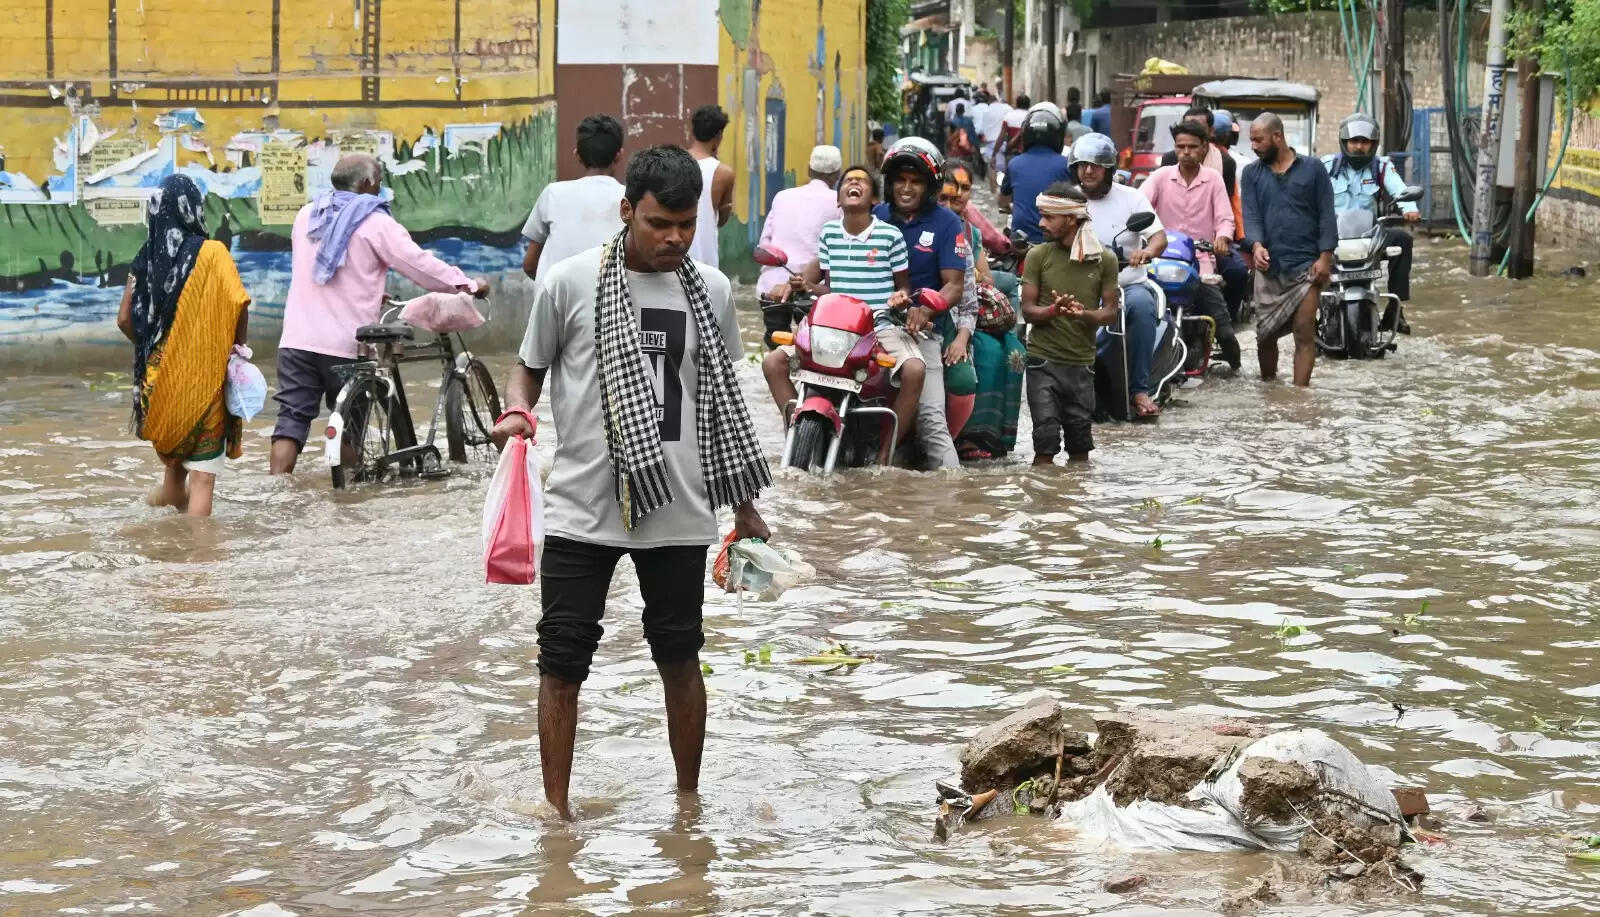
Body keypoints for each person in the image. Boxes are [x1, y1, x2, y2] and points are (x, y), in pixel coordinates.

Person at [492, 145, 773, 821]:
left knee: (680, 656)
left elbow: (724, 406)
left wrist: (746, 506)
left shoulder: (709, 288)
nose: (674, 237)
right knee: (561, 661)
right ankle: (555, 814)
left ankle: (687, 807)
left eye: (684, 222)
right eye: (658, 223)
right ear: (627, 212)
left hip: (679, 506)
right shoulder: (569, 281)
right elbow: (528, 367)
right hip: (582, 507)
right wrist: (518, 412)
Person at [270, 154, 488, 474]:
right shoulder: (375, 222)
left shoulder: (307, 215)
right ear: (368, 183)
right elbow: (420, 266)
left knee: (291, 421)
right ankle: (349, 496)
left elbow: (318, 270)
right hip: (345, 345)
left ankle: (277, 488)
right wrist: (467, 284)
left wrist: (370, 288)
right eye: (380, 182)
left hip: (296, 342)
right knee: (350, 427)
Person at [762, 165, 919, 466]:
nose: (854, 183)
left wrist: (900, 299)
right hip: (832, 329)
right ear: (838, 199)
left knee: (914, 370)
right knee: (773, 361)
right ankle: (795, 427)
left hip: (877, 328)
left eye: (861, 180)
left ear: (874, 199)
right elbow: (830, 288)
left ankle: (885, 456)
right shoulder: (830, 234)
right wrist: (805, 286)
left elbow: (903, 288)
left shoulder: (891, 236)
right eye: (848, 180)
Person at [116, 174, 252, 517]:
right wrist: (237, 348)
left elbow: (124, 319)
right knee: (203, 481)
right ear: (193, 209)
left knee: (174, 468)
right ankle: (197, 559)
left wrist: (155, 351)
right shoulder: (213, 253)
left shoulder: (144, 258)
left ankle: (166, 545)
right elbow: (239, 302)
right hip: (203, 377)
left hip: (157, 383)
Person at [873, 137, 972, 470]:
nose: (906, 188)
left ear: (929, 186)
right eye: (900, 180)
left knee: (931, 421)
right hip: (871, 327)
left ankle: (950, 498)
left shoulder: (946, 223)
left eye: (915, 181)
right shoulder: (877, 216)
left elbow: (954, 286)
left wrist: (925, 309)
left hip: (922, 333)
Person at [1021, 183, 1121, 465]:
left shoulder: (1105, 260)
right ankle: (1043, 505)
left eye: (1049, 217)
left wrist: (1083, 315)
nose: (1041, 223)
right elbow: (1028, 311)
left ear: (1071, 218)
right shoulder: (1037, 255)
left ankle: (1072, 504)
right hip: (1043, 362)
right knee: (1045, 439)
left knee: (1080, 447)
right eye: (1041, 215)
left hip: (1081, 365)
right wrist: (1054, 310)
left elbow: (1110, 314)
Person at [1071, 133, 1166, 418]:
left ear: (1109, 170)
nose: (1088, 171)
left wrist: (1146, 253)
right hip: (1080, 285)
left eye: (1096, 165)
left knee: (1142, 306)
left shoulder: (1132, 198)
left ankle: (1139, 389)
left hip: (1127, 285)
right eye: (1083, 165)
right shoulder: (1067, 199)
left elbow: (1158, 237)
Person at [1242, 113, 1337, 386]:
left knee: (1304, 331)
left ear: (1277, 137)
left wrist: (1325, 258)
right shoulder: (1251, 174)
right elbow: (1252, 215)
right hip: (1270, 267)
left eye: (1258, 140)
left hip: (1307, 266)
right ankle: (1270, 388)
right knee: (1265, 335)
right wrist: (1257, 245)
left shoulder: (1313, 169)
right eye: (1252, 141)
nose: (1254, 146)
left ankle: (1299, 395)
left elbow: (1326, 215)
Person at [1141, 121, 1243, 369]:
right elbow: (1140, 206)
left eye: (1192, 147)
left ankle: (1235, 366)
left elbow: (1225, 219)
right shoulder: (1161, 176)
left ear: (1204, 148)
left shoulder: (1214, 179)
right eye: (1180, 146)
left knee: (1226, 332)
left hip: (1201, 260)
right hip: (1162, 260)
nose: (1186, 152)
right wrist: (1145, 234)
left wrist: (1222, 238)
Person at [940, 161, 1025, 460]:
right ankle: (962, 436)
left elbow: (984, 279)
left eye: (964, 189)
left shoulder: (971, 232)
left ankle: (992, 438)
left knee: (1011, 350)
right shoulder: (930, 224)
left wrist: (969, 276)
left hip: (967, 307)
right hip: (940, 311)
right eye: (951, 190)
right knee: (987, 351)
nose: (959, 196)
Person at [1322, 112, 1418, 314]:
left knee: (1403, 240)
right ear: (1344, 142)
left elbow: (1399, 188)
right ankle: (1311, 315)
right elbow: (1306, 193)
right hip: (1333, 236)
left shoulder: (1382, 167)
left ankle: (1396, 308)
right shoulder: (1326, 166)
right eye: (1354, 141)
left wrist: (1410, 209)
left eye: (1365, 141)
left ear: (1373, 143)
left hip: (1370, 236)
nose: (1359, 146)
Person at [522, 113, 626, 284]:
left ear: (577, 155)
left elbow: (530, 265)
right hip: (609, 303)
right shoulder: (630, 200)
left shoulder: (553, 194)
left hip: (555, 302)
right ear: (619, 155)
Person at [757, 144, 843, 301]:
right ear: (837, 175)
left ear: (809, 170)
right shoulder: (839, 201)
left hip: (772, 287)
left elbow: (764, 245)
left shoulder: (781, 197)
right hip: (813, 289)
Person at [998, 106, 1072, 244]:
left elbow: (1002, 202)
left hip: (1021, 243)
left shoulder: (1014, 164)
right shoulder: (1066, 165)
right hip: (1054, 241)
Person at [687, 104, 735, 268]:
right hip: (707, 258)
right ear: (719, 135)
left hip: (679, 254)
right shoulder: (724, 173)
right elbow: (722, 219)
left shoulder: (675, 162)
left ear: (693, 131)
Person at [979, 96, 1013, 192]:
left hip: (990, 143)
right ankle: (1005, 191)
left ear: (989, 102)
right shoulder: (1007, 108)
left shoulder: (986, 111)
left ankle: (993, 192)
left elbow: (982, 130)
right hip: (1005, 142)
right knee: (1006, 169)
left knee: (992, 168)